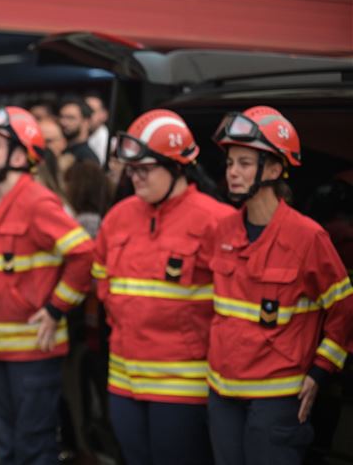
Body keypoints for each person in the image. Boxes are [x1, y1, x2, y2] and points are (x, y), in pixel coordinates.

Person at [206, 106, 353, 465]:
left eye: (244, 163)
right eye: (230, 163)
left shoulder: (307, 237)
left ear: (273, 169)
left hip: (276, 398)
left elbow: (344, 308)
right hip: (222, 391)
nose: (233, 173)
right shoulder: (223, 230)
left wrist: (321, 371)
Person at [0, 106, 94, 464]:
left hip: (33, 352)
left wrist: (55, 309)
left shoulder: (37, 201)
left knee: (33, 446)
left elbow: (84, 256)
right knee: (7, 446)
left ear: (18, 155)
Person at [91, 109, 234, 465]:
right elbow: (102, 280)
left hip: (182, 384)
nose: (135, 178)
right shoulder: (119, 216)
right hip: (124, 379)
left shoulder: (217, 221)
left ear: (177, 166)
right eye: (131, 170)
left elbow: (232, 306)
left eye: (144, 169)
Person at [84, 92, 110, 165]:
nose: (87, 115)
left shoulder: (106, 141)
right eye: (84, 111)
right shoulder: (85, 135)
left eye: (91, 111)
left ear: (104, 115)